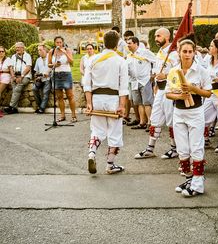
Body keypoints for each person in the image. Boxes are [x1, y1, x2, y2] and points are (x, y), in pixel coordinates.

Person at [166, 39, 212, 197]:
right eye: (184, 51)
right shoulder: (173, 71)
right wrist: (179, 95)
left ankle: (198, 184)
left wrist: (193, 89)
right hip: (178, 112)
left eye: (190, 52)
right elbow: (167, 93)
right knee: (182, 149)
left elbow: (208, 93)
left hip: (195, 112)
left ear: (194, 53)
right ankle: (189, 179)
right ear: (179, 52)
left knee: (196, 147)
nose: (187, 55)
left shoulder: (201, 70)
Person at [83, 30, 129, 174]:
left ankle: (92, 153)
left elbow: (87, 84)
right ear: (117, 44)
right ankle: (110, 164)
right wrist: (122, 106)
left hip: (96, 98)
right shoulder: (121, 60)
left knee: (97, 130)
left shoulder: (92, 59)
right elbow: (123, 87)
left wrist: (89, 103)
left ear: (103, 43)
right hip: (113, 99)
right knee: (114, 132)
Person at [134, 28, 179, 159]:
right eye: (155, 36)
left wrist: (166, 74)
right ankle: (150, 148)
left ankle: (174, 148)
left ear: (167, 36)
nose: (156, 38)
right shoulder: (160, 52)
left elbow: (179, 72)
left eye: (158, 36)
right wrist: (155, 85)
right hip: (160, 90)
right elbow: (156, 70)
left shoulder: (173, 54)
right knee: (155, 118)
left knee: (171, 121)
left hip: (170, 90)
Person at [126, 36, 156, 129]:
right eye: (127, 43)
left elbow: (156, 61)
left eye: (129, 43)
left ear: (136, 43)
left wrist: (153, 73)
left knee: (147, 102)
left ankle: (150, 123)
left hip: (144, 80)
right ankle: (142, 122)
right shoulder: (129, 56)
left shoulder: (145, 52)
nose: (128, 45)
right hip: (134, 82)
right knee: (138, 103)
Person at [48, 36, 77, 123]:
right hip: (56, 74)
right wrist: (54, 64)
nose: (59, 44)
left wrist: (65, 53)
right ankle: (62, 115)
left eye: (60, 42)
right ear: (54, 43)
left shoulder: (67, 50)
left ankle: (74, 116)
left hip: (66, 74)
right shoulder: (51, 51)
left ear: (63, 43)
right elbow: (48, 64)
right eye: (57, 42)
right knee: (59, 97)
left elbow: (72, 62)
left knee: (70, 95)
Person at [203, 39, 218, 150]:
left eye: (212, 46)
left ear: (217, 48)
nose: (209, 47)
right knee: (203, 116)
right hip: (210, 93)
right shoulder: (208, 60)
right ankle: (205, 140)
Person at [4, 42, 32, 114]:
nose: (17, 49)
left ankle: (11, 106)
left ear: (23, 48)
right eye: (16, 47)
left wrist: (21, 76)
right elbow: (11, 67)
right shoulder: (13, 56)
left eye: (18, 47)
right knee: (14, 88)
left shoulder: (27, 56)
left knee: (17, 88)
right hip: (15, 76)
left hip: (25, 76)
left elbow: (28, 68)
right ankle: (14, 109)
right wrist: (13, 76)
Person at [32, 44, 51, 114]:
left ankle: (42, 108)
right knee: (34, 89)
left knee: (45, 92)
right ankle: (40, 106)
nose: (39, 52)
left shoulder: (50, 57)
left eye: (40, 50)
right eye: (38, 50)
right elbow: (36, 71)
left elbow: (53, 67)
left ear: (45, 50)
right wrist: (36, 76)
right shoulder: (38, 60)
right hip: (40, 79)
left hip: (48, 78)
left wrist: (47, 73)